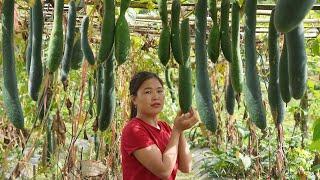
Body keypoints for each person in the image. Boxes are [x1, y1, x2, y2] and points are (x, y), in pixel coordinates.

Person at [120, 71, 199, 180]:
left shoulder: (165, 127)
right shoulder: (134, 129)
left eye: (159, 91)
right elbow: (164, 171)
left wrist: (180, 130)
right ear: (134, 99)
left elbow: (186, 167)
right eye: (148, 92)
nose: (155, 97)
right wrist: (176, 130)